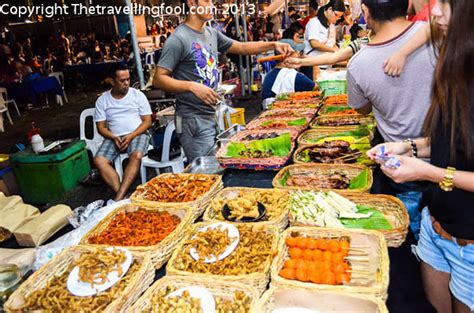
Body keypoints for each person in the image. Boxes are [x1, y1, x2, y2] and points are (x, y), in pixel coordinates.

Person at [367, 1, 474, 312]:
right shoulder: (456, 65)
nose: (435, 12)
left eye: (444, 3)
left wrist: (429, 173)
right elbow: (453, 140)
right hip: (435, 225)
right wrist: (407, 147)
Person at [153, 0, 292, 162]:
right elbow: (158, 79)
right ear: (192, 3)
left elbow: (242, 48)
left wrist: (274, 44)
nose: (212, 6)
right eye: (207, 1)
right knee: (207, 172)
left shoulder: (211, 33)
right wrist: (192, 87)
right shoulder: (178, 39)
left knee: (218, 164)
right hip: (192, 119)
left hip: (211, 113)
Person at [347, 0, 437, 238]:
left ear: (365, 12)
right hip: (449, 154)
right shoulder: (438, 34)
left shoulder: (358, 64)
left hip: (402, 163)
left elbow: (362, 109)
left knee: (413, 231)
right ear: (407, 5)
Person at [93, 64, 152, 201]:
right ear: (112, 81)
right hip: (113, 137)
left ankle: (118, 198)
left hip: (137, 134)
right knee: (99, 160)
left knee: (136, 155)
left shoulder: (138, 95)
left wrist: (131, 135)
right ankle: (123, 194)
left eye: (128, 79)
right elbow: (101, 128)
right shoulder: (102, 100)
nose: (126, 83)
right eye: (122, 80)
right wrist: (113, 137)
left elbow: (147, 122)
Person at [261, 28, 316, 106]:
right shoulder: (293, 76)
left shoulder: (270, 74)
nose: (298, 55)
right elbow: (317, 89)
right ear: (287, 56)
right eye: (296, 52)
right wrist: (314, 63)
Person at [302, 0, 345, 79]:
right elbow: (314, 43)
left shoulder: (331, 26)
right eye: (336, 15)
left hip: (326, 65)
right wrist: (334, 50)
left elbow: (332, 44)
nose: (337, 18)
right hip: (313, 65)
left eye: (339, 17)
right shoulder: (314, 22)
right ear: (329, 9)